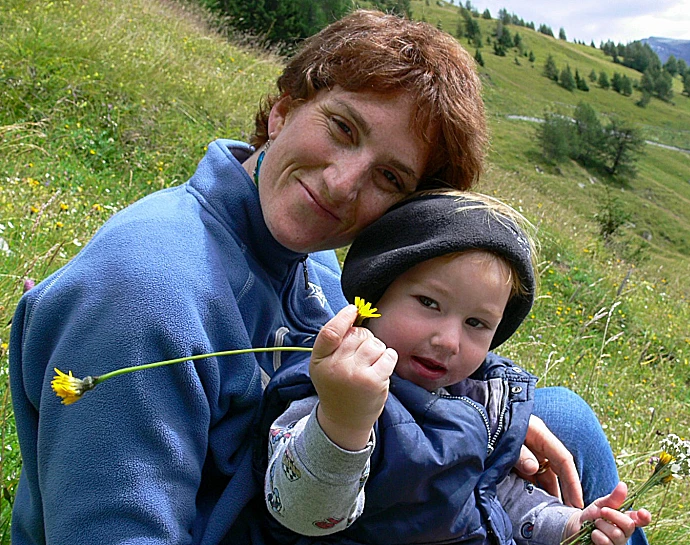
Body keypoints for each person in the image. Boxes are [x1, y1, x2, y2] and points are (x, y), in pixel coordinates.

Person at [8, 9, 645, 545]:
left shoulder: (304, 255)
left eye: (390, 178)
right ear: (284, 108)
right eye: (342, 128)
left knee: (563, 421)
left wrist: (481, 413)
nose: (343, 184)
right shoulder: (146, 296)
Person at [259, 191, 651, 545]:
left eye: (476, 324)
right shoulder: (337, 388)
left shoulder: (476, 400)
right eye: (429, 303)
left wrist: (568, 524)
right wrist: (344, 423)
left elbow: (500, 497)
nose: (449, 340)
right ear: (375, 294)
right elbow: (299, 511)